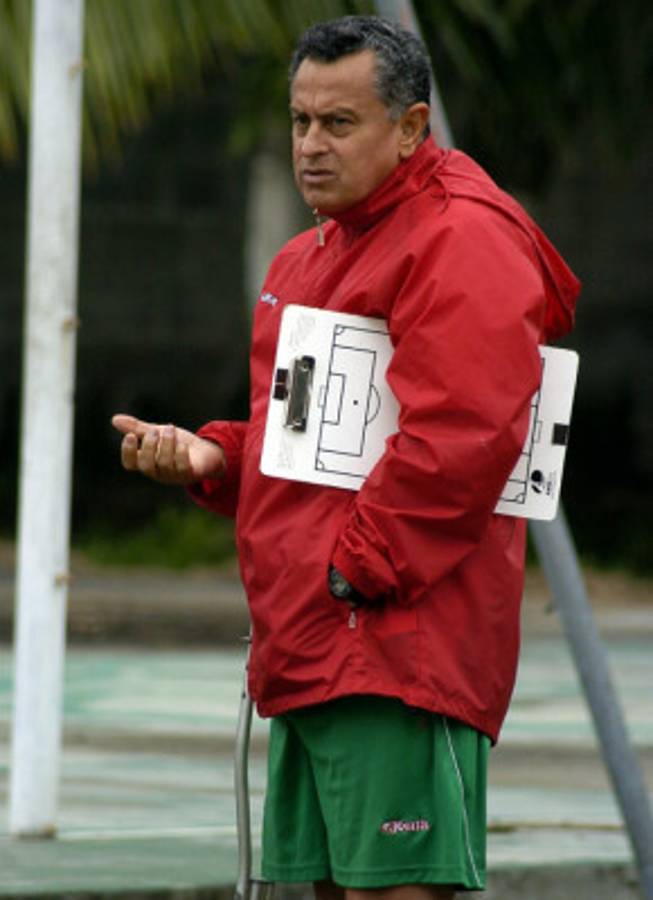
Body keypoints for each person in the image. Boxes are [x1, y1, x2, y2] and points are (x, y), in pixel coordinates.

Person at [113, 15, 580, 899]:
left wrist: (355, 570)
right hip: (313, 641)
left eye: (338, 123)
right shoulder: (310, 253)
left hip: (392, 649)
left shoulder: (458, 238)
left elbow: (464, 436)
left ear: (410, 128)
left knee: (390, 889)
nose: (309, 146)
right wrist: (216, 459)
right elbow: (315, 448)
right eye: (299, 121)